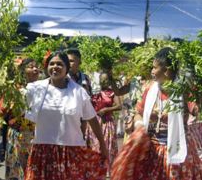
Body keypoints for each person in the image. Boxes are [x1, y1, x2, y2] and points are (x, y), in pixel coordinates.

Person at [111, 47, 202, 180]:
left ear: (166, 71)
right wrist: (139, 124)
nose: (152, 71)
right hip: (153, 150)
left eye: (154, 68)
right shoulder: (149, 89)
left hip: (177, 150)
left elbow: (196, 109)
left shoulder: (184, 91)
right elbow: (138, 113)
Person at [24, 51, 108, 180]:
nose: (55, 67)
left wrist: (102, 144)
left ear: (67, 68)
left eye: (59, 64)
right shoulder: (34, 89)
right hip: (43, 152)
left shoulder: (79, 92)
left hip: (71, 152)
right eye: (51, 64)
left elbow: (92, 119)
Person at [5, 58, 39, 180]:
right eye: (31, 67)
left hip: (37, 133)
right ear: (22, 71)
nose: (35, 69)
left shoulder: (43, 88)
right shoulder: (15, 89)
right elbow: (7, 111)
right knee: (19, 167)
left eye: (36, 66)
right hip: (20, 133)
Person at [87, 72, 121, 172]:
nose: (103, 81)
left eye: (106, 79)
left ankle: (107, 171)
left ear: (109, 81)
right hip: (95, 122)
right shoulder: (95, 92)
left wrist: (106, 109)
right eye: (102, 79)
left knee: (107, 146)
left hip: (107, 122)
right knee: (95, 146)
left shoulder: (112, 93)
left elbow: (119, 106)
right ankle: (96, 169)